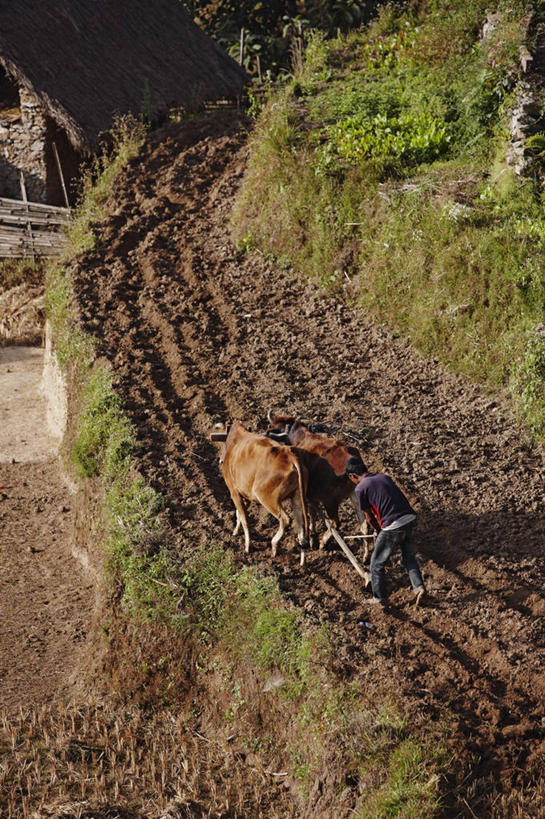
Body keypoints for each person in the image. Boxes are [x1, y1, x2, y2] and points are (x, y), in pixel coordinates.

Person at [346, 456, 426, 607]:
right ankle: (419, 587)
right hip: (410, 519)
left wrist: (378, 531)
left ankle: (379, 598)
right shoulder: (383, 477)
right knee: (409, 558)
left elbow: (369, 517)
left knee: (376, 564)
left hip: (392, 526)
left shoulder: (360, 487)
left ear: (353, 476)